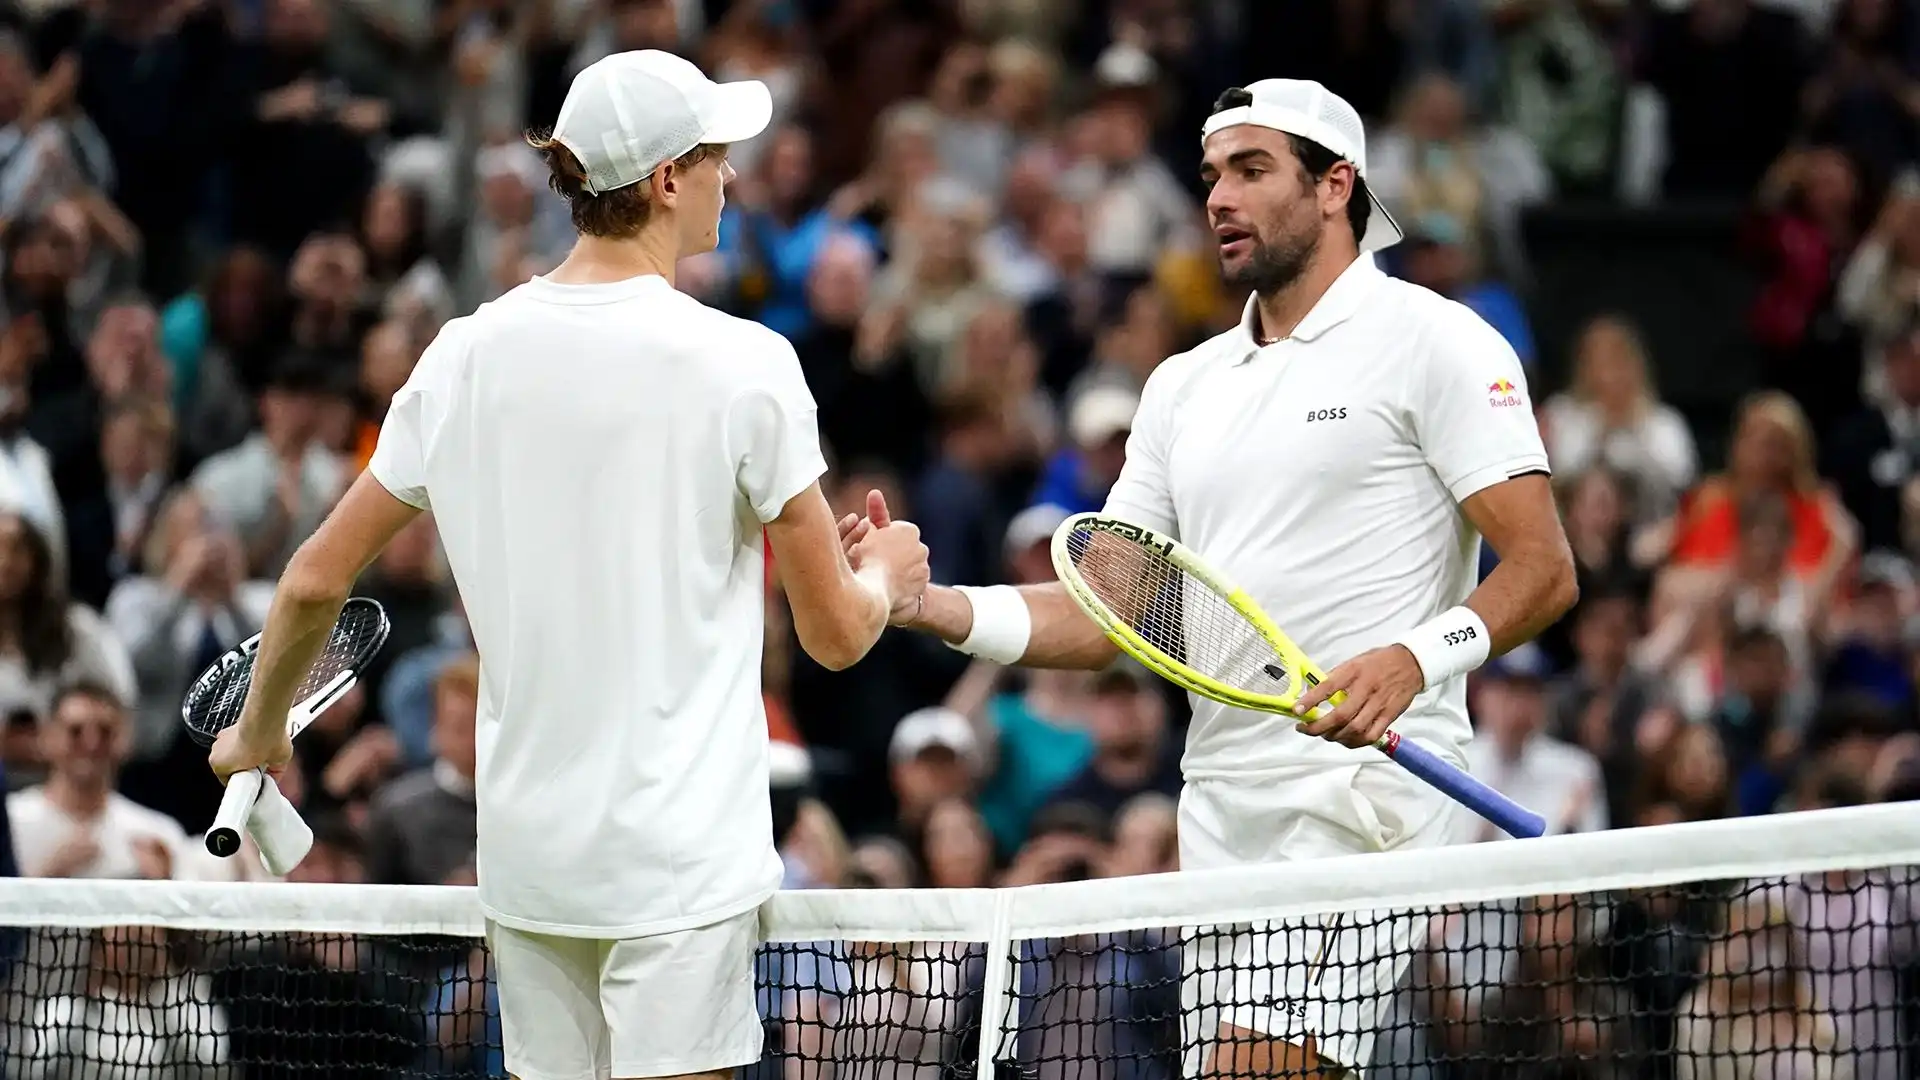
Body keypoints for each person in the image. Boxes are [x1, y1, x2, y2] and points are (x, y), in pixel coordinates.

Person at [207, 49, 931, 1080]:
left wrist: (261, 727)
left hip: (534, 869)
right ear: (667, 178)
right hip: (678, 867)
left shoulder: (463, 353)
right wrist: (889, 579)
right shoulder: (746, 363)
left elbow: (314, 580)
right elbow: (832, 633)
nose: (732, 176)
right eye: (717, 157)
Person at [853, 79, 1578, 1077]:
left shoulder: (1439, 341)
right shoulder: (1181, 387)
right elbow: (1114, 616)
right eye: (1210, 176)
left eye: (1250, 169)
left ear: (1335, 187)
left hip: (1360, 796)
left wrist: (1415, 659)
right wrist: (930, 606)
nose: (1218, 198)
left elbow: (1543, 567)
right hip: (1219, 803)